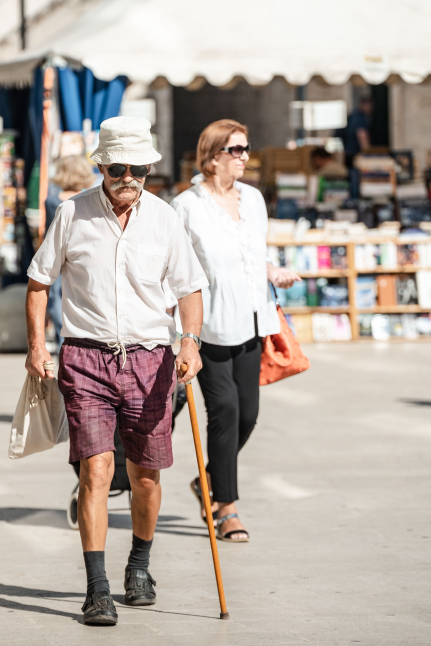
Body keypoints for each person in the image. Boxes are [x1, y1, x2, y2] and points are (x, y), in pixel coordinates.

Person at [24, 116, 207, 626]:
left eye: (140, 169)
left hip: (151, 361)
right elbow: (40, 283)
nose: (130, 178)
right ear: (101, 166)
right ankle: (97, 588)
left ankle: (139, 566)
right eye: (119, 168)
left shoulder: (166, 219)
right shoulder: (72, 214)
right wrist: (37, 346)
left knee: (146, 476)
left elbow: (190, 287)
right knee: (96, 470)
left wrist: (189, 343)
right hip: (86, 357)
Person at [171, 119, 299, 543]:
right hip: (207, 325)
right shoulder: (187, 206)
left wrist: (274, 272)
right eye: (237, 150)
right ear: (212, 157)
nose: (245, 156)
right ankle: (226, 507)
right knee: (224, 411)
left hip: (253, 319)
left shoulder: (254, 200)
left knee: (249, 414)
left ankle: (208, 480)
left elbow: (249, 257)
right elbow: (175, 267)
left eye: (247, 149)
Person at [43, 155, 98, 348]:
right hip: (83, 254)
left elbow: (48, 234)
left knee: (56, 300)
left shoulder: (52, 201)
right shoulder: (90, 199)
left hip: (57, 256)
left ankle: (63, 342)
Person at [341, 96, 373, 169]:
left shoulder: (352, 115)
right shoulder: (360, 118)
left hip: (347, 151)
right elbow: (361, 135)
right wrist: (368, 152)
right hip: (355, 152)